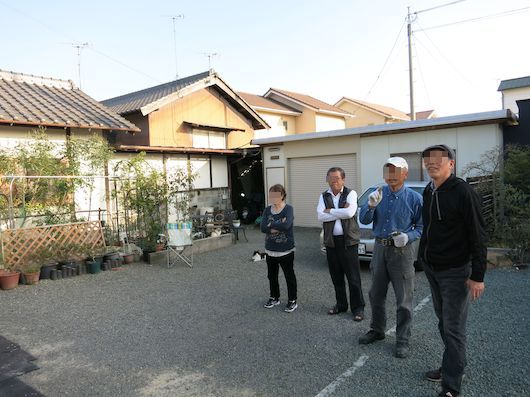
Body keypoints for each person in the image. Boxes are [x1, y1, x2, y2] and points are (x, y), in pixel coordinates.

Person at [419, 144, 487, 397]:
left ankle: (451, 386)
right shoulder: (429, 191)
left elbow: (479, 235)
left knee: (453, 327)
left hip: (456, 271)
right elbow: (428, 227)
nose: (432, 162)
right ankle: (453, 365)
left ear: (451, 164)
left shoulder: (463, 192)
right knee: (443, 322)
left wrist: (477, 276)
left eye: (439, 158)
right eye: (428, 159)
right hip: (433, 268)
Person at [357, 157, 423, 359]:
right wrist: (370, 207)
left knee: (403, 299)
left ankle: (402, 340)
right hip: (379, 249)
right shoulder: (378, 194)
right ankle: (377, 330)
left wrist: (408, 236)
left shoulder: (414, 199)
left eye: (395, 172)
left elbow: (421, 227)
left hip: (402, 252)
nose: (390, 177)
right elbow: (364, 220)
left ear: (405, 174)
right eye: (388, 172)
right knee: (376, 294)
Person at [317, 167, 365, 321]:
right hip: (331, 242)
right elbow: (320, 216)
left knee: (353, 278)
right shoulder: (323, 196)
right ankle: (341, 304)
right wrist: (338, 211)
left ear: (343, 179)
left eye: (337, 178)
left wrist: (330, 211)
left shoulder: (351, 194)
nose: (333, 181)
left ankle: (358, 308)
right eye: (330, 178)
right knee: (336, 276)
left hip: (348, 242)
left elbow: (349, 213)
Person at [260, 184, 298, 313]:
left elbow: (287, 225)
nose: (273, 198)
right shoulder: (267, 210)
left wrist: (271, 225)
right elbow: (262, 227)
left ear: (282, 196)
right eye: (271, 195)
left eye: (276, 195)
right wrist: (278, 224)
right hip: (270, 249)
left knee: (289, 276)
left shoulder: (288, 209)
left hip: (286, 249)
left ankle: (292, 300)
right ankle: (274, 297)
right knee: (272, 276)